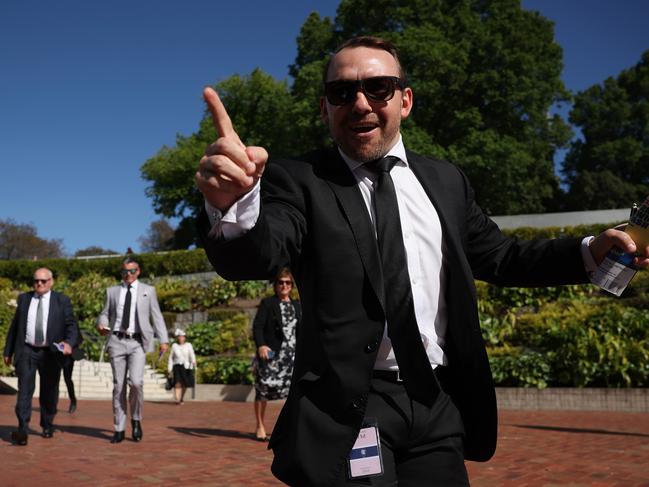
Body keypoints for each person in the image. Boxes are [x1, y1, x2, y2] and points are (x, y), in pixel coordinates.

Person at [194, 36, 649, 487]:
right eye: (342, 92)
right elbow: (259, 252)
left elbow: (502, 256)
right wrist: (233, 208)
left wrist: (588, 251)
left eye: (379, 88)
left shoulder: (446, 180)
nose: (360, 103)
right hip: (351, 407)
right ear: (324, 108)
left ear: (405, 100)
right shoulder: (299, 180)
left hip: (437, 401)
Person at [96, 257, 169, 444]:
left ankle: (136, 419)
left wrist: (164, 340)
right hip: (116, 340)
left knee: (136, 382)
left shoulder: (148, 291)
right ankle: (119, 428)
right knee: (118, 386)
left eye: (132, 271)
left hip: (137, 342)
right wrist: (102, 324)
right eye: (124, 272)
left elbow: (156, 315)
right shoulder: (112, 291)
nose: (128, 275)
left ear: (138, 271)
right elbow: (105, 313)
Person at [3, 267, 79, 445]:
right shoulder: (24, 298)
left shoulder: (62, 300)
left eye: (43, 281)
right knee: (24, 390)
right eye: (36, 280)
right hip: (27, 350)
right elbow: (15, 327)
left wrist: (69, 343)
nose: (39, 284)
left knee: (49, 391)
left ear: (51, 282)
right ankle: (22, 427)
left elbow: (72, 326)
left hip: (51, 352)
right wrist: (8, 351)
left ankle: (47, 424)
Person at [251, 267, 300, 442]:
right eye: (281, 282)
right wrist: (261, 345)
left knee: (293, 394)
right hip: (272, 355)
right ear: (276, 285)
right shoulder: (268, 303)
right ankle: (260, 425)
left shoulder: (297, 305)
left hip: (293, 356)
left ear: (292, 285)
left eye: (288, 282)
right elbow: (257, 326)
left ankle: (290, 428)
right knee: (263, 390)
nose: (284, 285)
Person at [167, 328, 196, 404]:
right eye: (180, 336)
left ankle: (181, 398)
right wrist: (169, 368)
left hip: (186, 366)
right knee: (177, 382)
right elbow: (171, 357)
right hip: (177, 366)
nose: (181, 338)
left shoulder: (188, 345)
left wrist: (193, 362)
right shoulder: (174, 346)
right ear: (177, 337)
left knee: (185, 383)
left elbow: (192, 355)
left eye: (183, 336)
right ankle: (177, 398)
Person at [62, 323, 84, 413]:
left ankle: (73, 400)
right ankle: (51, 403)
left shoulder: (71, 319)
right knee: (53, 378)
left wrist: (70, 345)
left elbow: (78, 338)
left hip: (69, 354)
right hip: (56, 352)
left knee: (67, 378)